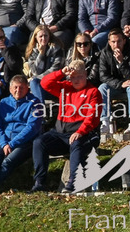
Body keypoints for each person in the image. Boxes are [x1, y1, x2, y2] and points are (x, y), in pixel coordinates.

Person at [30, 60, 102, 193]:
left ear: (86, 74)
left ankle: (74, 182)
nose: (76, 80)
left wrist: (80, 131)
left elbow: (92, 117)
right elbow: (45, 83)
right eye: (73, 77)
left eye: (79, 76)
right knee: (39, 142)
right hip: (60, 133)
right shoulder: (65, 88)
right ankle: (39, 182)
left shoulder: (93, 92)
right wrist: (61, 73)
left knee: (76, 143)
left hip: (85, 134)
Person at [0, 75, 43, 193]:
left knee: (8, 162)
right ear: (10, 89)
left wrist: (12, 144)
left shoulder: (35, 103)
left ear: (27, 89)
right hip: (5, 139)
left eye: (21, 88)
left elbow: (32, 128)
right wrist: (4, 143)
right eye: (15, 87)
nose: (18, 90)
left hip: (25, 142)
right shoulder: (4, 102)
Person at [98, 28, 130, 134]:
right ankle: (105, 123)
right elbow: (103, 76)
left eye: (119, 41)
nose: (116, 45)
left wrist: (121, 62)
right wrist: (120, 84)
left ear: (124, 40)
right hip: (117, 84)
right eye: (113, 42)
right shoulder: (105, 52)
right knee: (102, 88)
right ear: (109, 42)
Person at [25, 25, 65, 104]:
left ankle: (40, 109)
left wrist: (36, 78)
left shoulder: (58, 49)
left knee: (33, 81)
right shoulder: (32, 51)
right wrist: (41, 54)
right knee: (34, 83)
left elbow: (55, 70)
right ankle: (40, 109)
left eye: (46, 35)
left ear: (49, 36)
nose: (43, 38)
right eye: (41, 36)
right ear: (36, 37)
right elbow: (36, 71)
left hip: (54, 85)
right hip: (40, 86)